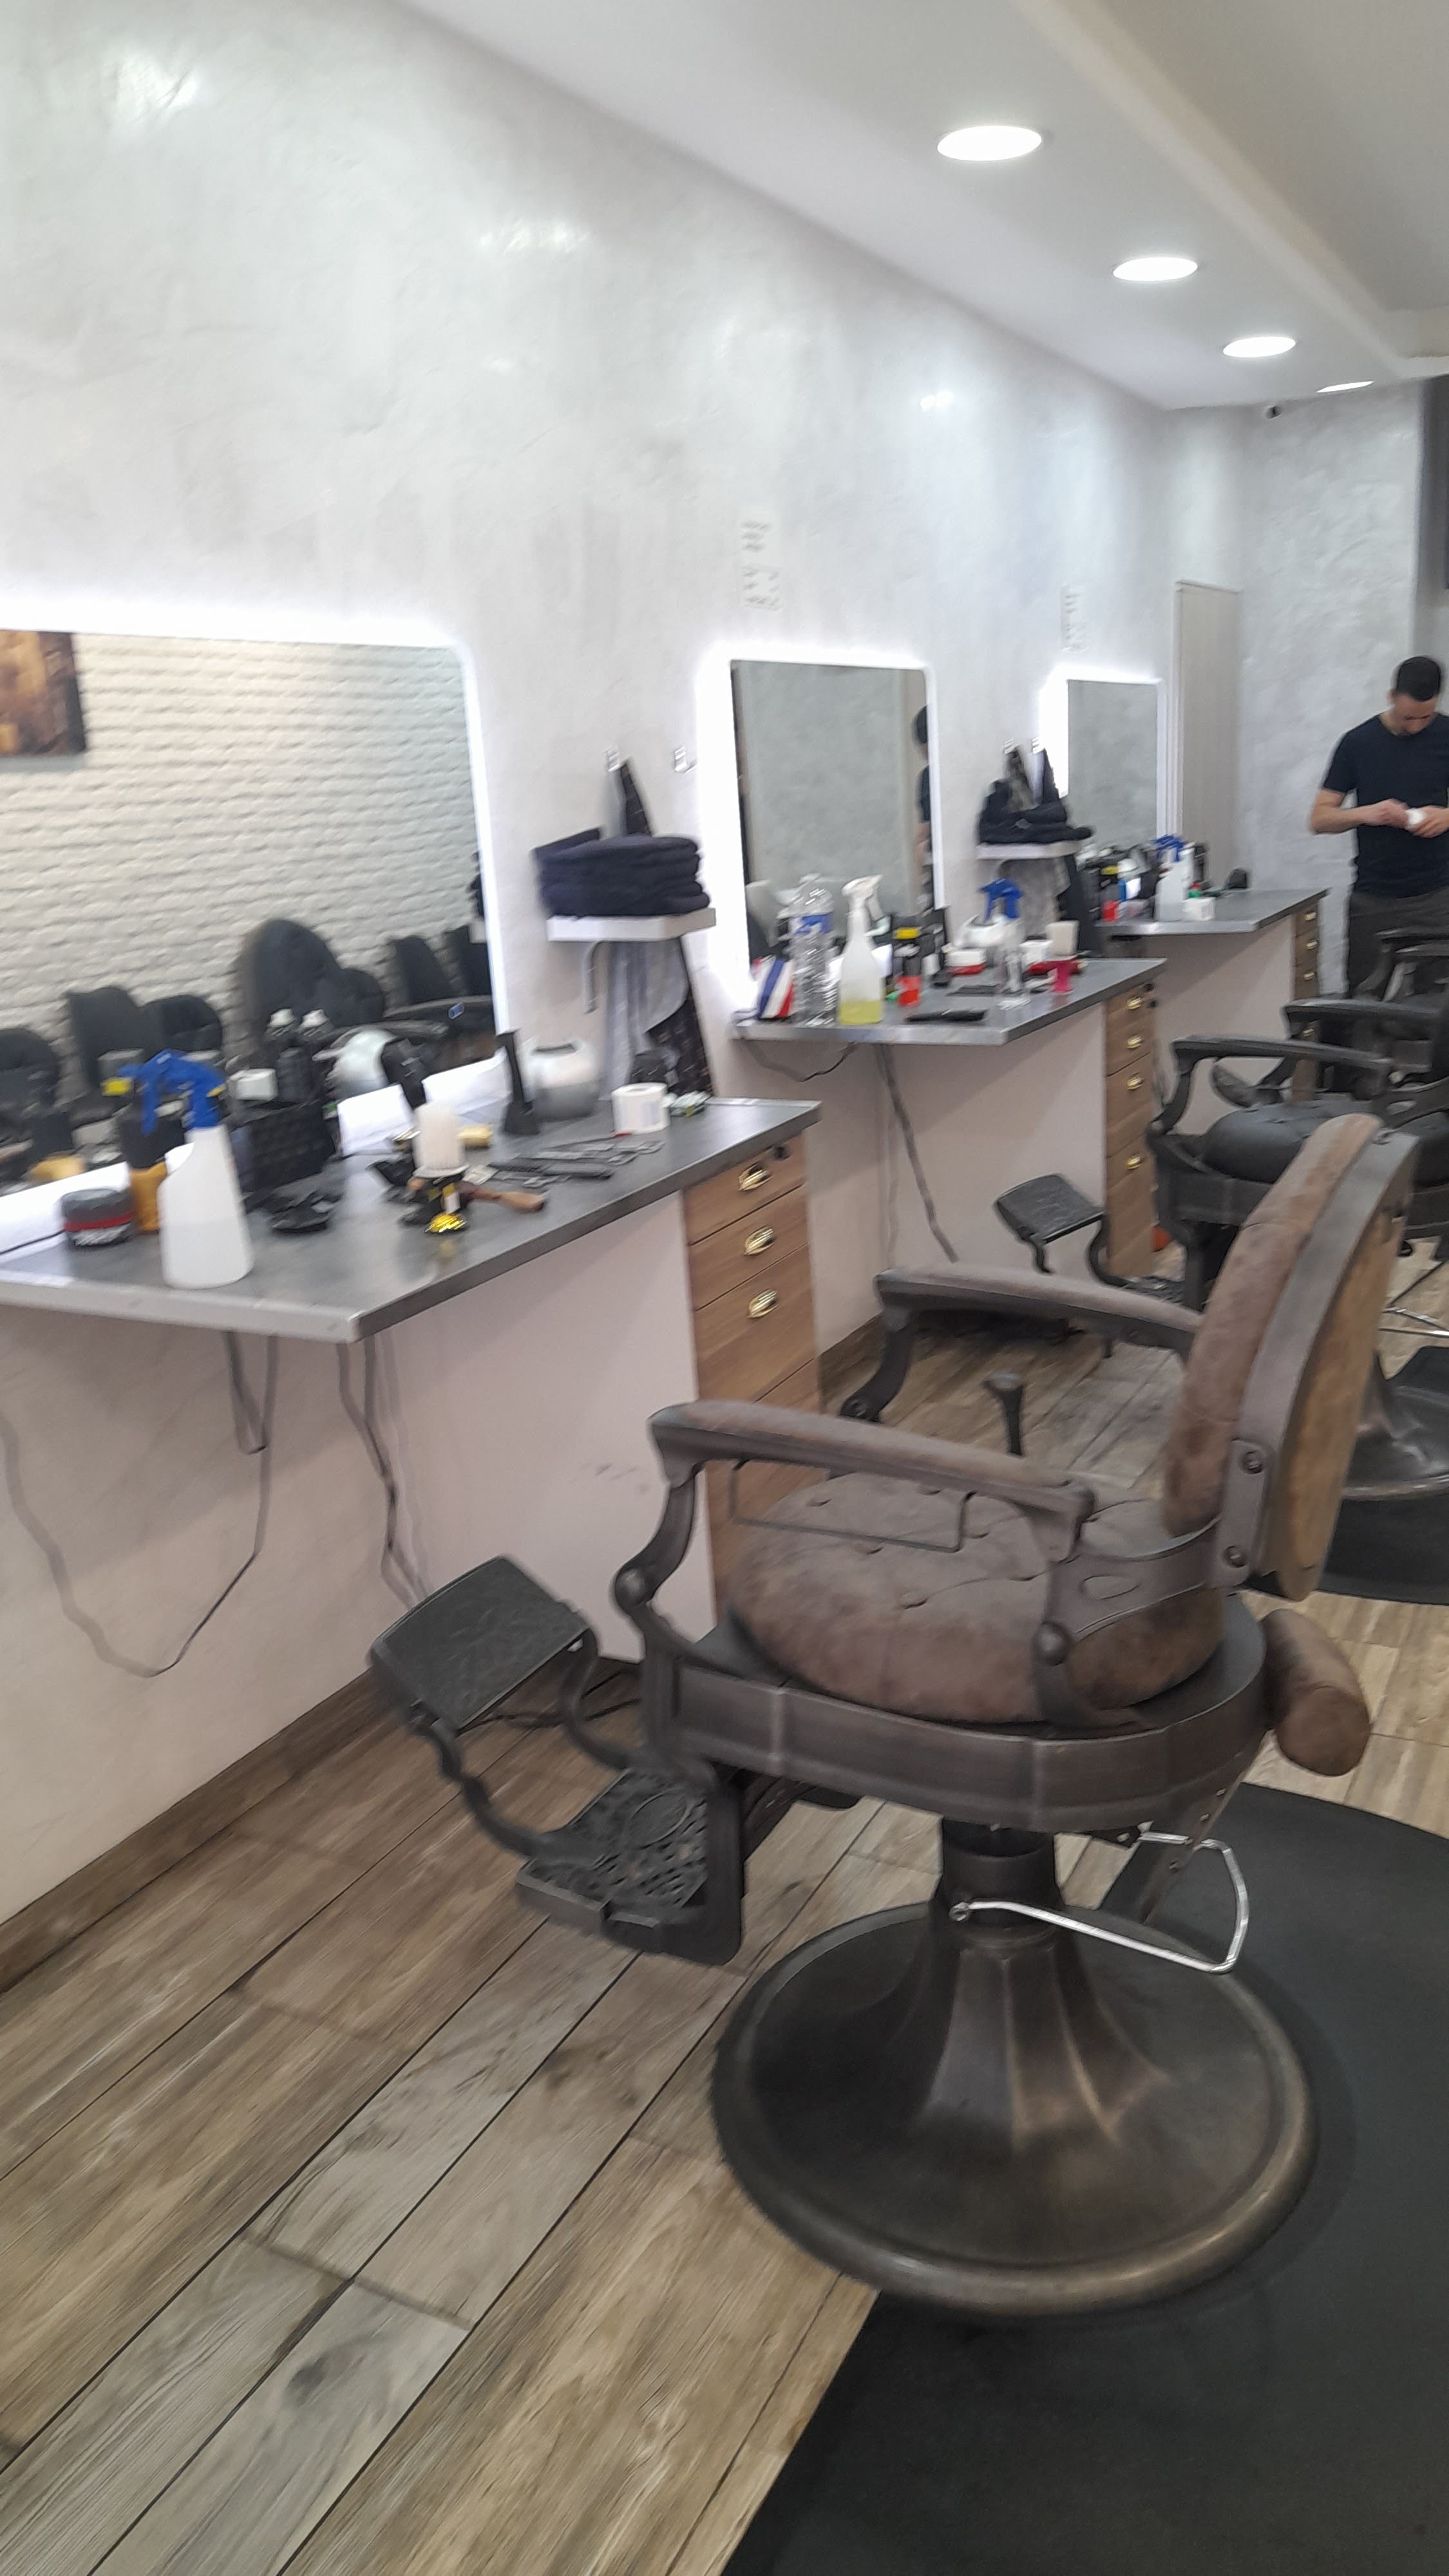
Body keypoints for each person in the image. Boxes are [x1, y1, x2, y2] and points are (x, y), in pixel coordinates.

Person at [1311, 655, 1449, 990]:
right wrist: (1366, 814)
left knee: (1435, 1006)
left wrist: (1446, 816)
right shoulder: (1357, 743)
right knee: (1364, 998)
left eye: (1425, 717)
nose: (1415, 727)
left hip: (1436, 897)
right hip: (1373, 899)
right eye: (1407, 717)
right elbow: (1319, 818)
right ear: (1391, 697)